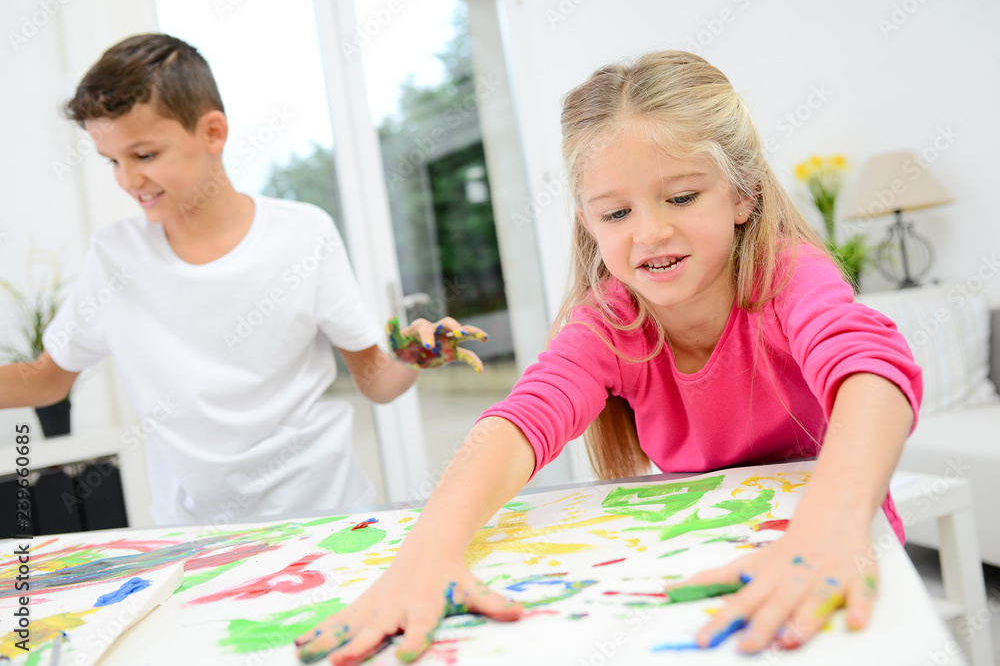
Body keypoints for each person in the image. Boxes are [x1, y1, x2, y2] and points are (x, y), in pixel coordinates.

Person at [295, 50, 922, 664]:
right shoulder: (610, 322)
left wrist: (831, 526)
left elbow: (873, 371)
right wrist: (427, 555)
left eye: (681, 198)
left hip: (839, 548)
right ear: (589, 223)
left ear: (742, 196)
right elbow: (520, 423)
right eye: (617, 212)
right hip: (698, 563)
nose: (648, 233)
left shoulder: (787, 275)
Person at [0, 34, 486, 527]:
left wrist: (412, 356)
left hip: (327, 519)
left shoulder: (303, 233)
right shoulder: (114, 257)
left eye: (144, 155)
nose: (127, 180)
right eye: (113, 161)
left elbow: (376, 381)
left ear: (212, 133)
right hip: (196, 540)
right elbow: (46, 379)